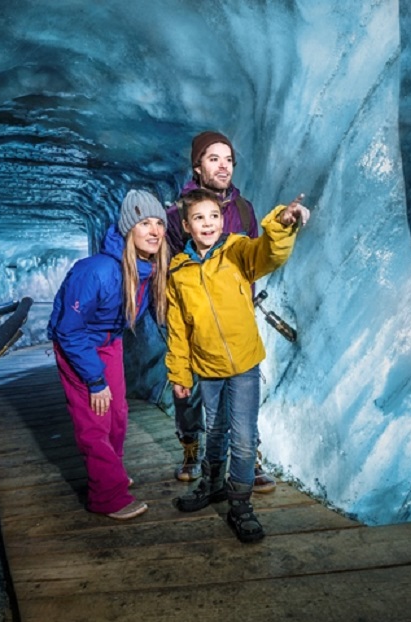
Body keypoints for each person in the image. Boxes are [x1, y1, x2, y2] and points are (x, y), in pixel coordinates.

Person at [166, 188, 310, 543]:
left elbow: (268, 254)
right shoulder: (179, 271)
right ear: (186, 225)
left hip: (243, 363)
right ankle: (212, 485)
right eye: (199, 218)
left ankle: (241, 504)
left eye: (214, 216)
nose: (208, 223)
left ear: (222, 220)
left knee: (243, 439)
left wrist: (281, 224)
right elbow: (179, 328)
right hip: (208, 368)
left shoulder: (236, 250)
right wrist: (180, 373)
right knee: (214, 430)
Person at [165, 130, 276, 494]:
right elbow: (170, 267)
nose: (223, 166)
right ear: (197, 166)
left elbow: (253, 261)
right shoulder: (175, 214)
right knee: (190, 394)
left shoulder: (243, 210)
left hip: (233, 317)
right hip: (193, 316)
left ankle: (248, 458)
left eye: (228, 159)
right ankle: (191, 449)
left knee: (242, 394)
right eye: (214, 158)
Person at [47, 189, 168, 520]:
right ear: (129, 228)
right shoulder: (98, 271)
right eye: (145, 223)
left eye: (159, 223)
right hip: (78, 343)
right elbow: (69, 330)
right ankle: (106, 496)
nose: (155, 230)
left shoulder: (147, 269)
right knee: (94, 419)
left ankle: (110, 473)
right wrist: (95, 379)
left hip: (109, 341)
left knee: (117, 413)